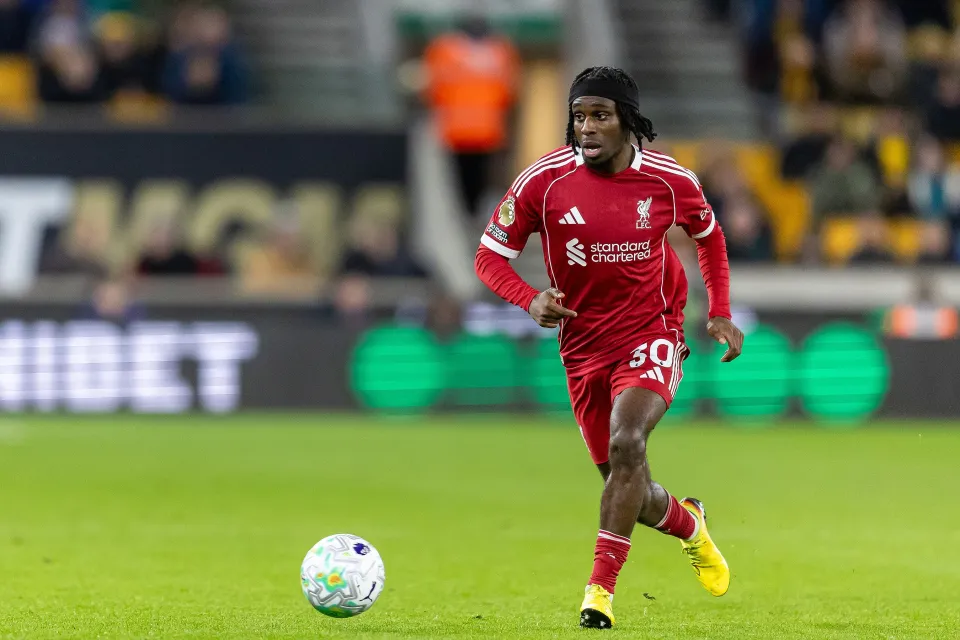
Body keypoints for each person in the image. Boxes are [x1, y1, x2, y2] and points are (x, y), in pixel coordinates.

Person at [473, 66, 744, 629]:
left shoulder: (669, 181)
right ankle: (690, 524)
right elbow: (488, 256)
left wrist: (717, 311)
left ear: (628, 122)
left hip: (653, 330)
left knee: (628, 441)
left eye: (600, 115)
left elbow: (709, 236)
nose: (587, 128)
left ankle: (599, 593)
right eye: (579, 116)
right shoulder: (542, 182)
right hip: (582, 348)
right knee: (630, 487)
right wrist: (528, 300)